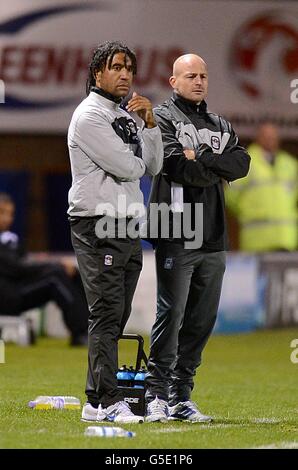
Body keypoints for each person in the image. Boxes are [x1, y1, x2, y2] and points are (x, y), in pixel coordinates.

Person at [144, 54, 250, 422]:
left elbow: (242, 164)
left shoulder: (219, 122)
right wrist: (213, 164)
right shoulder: (162, 118)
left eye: (204, 75)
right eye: (190, 76)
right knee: (171, 313)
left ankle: (181, 396)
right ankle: (156, 393)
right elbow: (176, 166)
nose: (199, 81)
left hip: (214, 234)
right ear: (173, 81)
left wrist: (201, 155)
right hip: (175, 229)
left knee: (202, 320)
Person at [67, 41, 163, 424]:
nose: (125, 74)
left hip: (126, 224)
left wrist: (152, 125)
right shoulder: (89, 116)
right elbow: (128, 166)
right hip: (97, 223)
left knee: (116, 314)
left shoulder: (125, 115)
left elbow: (152, 164)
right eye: (116, 67)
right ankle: (107, 402)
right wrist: (139, 150)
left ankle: (95, 399)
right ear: (97, 73)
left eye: (129, 68)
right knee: (106, 313)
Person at [0, 192, 89, 346]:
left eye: (10, 213)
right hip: (6, 296)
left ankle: (90, 326)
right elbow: (17, 267)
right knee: (55, 277)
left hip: (16, 288)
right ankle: (80, 332)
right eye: (2, 213)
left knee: (71, 271)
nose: (8, 218)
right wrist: (55, 263)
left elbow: (22, 264)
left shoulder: (10, 239)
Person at [225, 122, 298, 251]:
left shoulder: (290, 164)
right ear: (258, 138)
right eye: (266, 136)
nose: (271, 139)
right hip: (256, 240)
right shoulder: (245, 162)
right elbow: (230, 196)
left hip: (286, 239)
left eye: (273, 136)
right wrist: (247, 211)